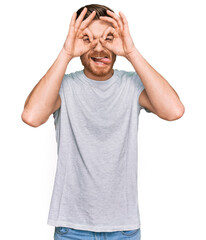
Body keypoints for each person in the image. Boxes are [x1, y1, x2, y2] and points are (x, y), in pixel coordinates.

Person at [21, 4, 185, 240]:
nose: (99, 47)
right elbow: (31, 116)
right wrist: (66, 52)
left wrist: (131, 52)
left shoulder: (131, 85)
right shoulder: (63, 87)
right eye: (88, 39)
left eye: (108, 38)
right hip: (72, 227)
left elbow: (174, 110)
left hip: (123, 228)